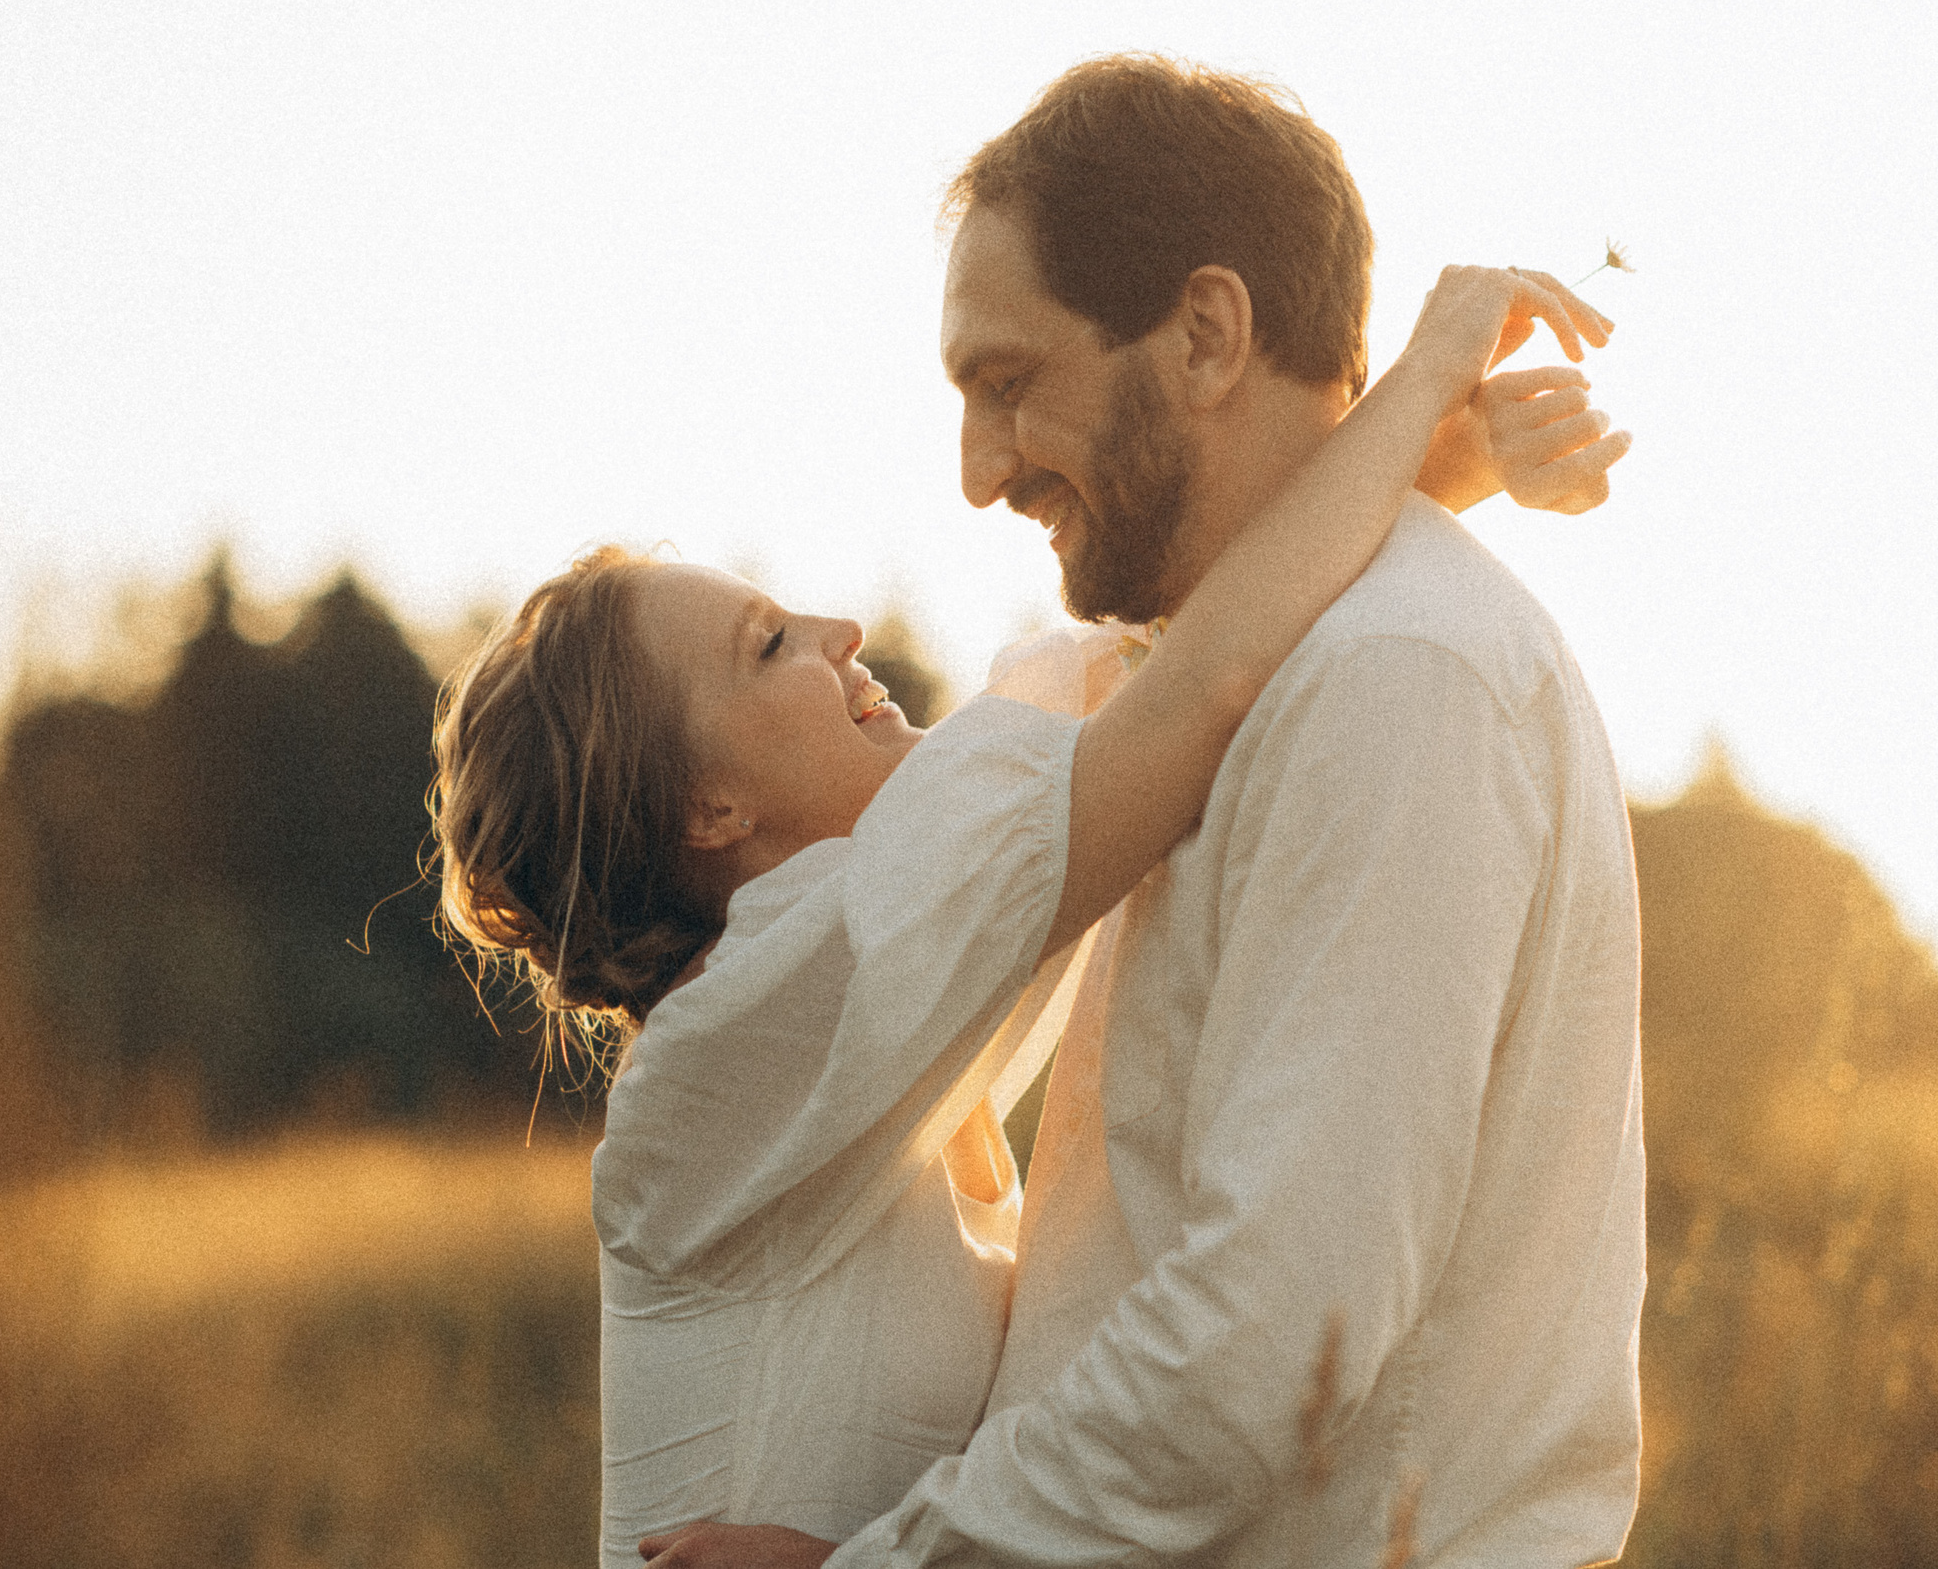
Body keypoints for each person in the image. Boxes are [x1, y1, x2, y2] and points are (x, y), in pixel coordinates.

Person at [431, 217, 1623, 1565]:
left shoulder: (858, 997)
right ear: (711, 809)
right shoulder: (741, 1037)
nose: (840, 632)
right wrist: (1413, 395)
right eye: (770, 646)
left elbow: (1156, 671)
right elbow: (1195, 690)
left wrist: (1426, 473)